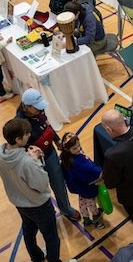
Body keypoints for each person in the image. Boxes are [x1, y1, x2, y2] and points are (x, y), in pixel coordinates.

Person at [0, 118, 62, 262]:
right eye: (26, 134)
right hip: (38, 205)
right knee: (51, 237)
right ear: (18, 139)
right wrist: (37, 160)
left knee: (28, 230)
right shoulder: (28, 162)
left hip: (19, 202)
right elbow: (42, 185)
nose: (29, 136)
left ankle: (36, 258)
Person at [16, 88, 81, 221]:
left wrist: (56, 140)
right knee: (41, 189)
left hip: (49, 152)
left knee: (58, 182)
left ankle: (65, 208)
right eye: (37, 108)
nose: (41, 110)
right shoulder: (20, 124)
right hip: (35, 161)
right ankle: (47, 214)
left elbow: (47, 125)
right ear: (27, 107)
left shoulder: (39, 111)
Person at [60, 133, 105, 228]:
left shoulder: (66, 158)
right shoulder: (77, 163)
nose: (79, 149)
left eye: (79, 146)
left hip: (79, 187)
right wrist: (99, 171)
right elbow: (91, 170)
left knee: (82, 203)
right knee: (91, 204)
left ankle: (86, 220)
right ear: (68, 149)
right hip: (86, 187)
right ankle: (96, 219)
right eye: (75, 148)